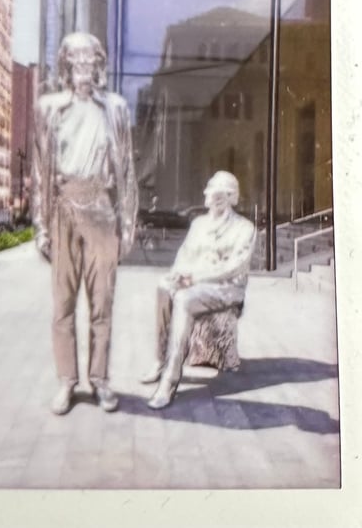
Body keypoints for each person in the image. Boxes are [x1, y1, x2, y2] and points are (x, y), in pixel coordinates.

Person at [32, 32, 138, 415]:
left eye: (90, 61)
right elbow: (40, 170)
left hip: (101, 207)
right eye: (75, 61)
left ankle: (100, 380)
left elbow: (126, 167)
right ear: (65, 66)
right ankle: (66, 382)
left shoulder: (116, 108)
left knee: (102, 303)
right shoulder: (49, 108)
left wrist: (128, 223)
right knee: (62, 304)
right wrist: (40, 225)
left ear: (99, 65)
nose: (83, 68)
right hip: (62, 205)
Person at [142, 171, 256, 409]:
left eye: (218, 193)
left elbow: (233, 268)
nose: (211, 197)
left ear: (229, 197)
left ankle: (169, 381)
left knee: (184, 299)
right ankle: (160, 359)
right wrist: (178, 274)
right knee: (163, 286)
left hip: (226, 289)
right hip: (195, 282)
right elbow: (184, 255)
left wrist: (193, 278)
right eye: (210, 192)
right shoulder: (199, 224)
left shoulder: (244, 228)